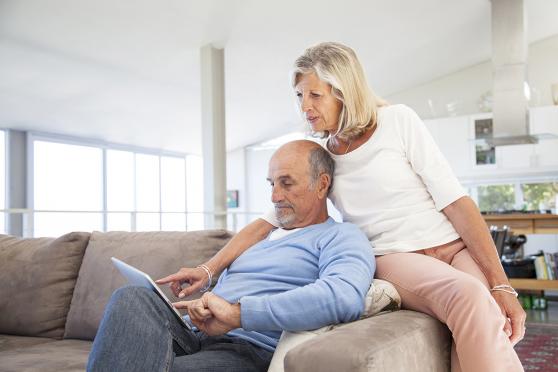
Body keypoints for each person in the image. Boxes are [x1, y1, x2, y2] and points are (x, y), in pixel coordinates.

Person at [168, 42, 526, 372]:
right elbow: (268, 221)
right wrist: (208, 268)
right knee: (469, 297)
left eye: (315, 95)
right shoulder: (323, 157)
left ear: (344, 92)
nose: (304, 106)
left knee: (490, 316)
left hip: (450, 245)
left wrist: (502, 285)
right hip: (395, 255)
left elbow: (456, 202)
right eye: (299, 96)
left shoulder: (398, 120)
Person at [87, 140, 375, 372]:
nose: (274, 196)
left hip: (248, 346)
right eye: (271, 183)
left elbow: (342, 297)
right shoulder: (260, 237)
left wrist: (237, 314)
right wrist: (205, 305)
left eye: (286, 183)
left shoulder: (341, 236)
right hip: (193, 334)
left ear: (322, 184)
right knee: (132, 297)